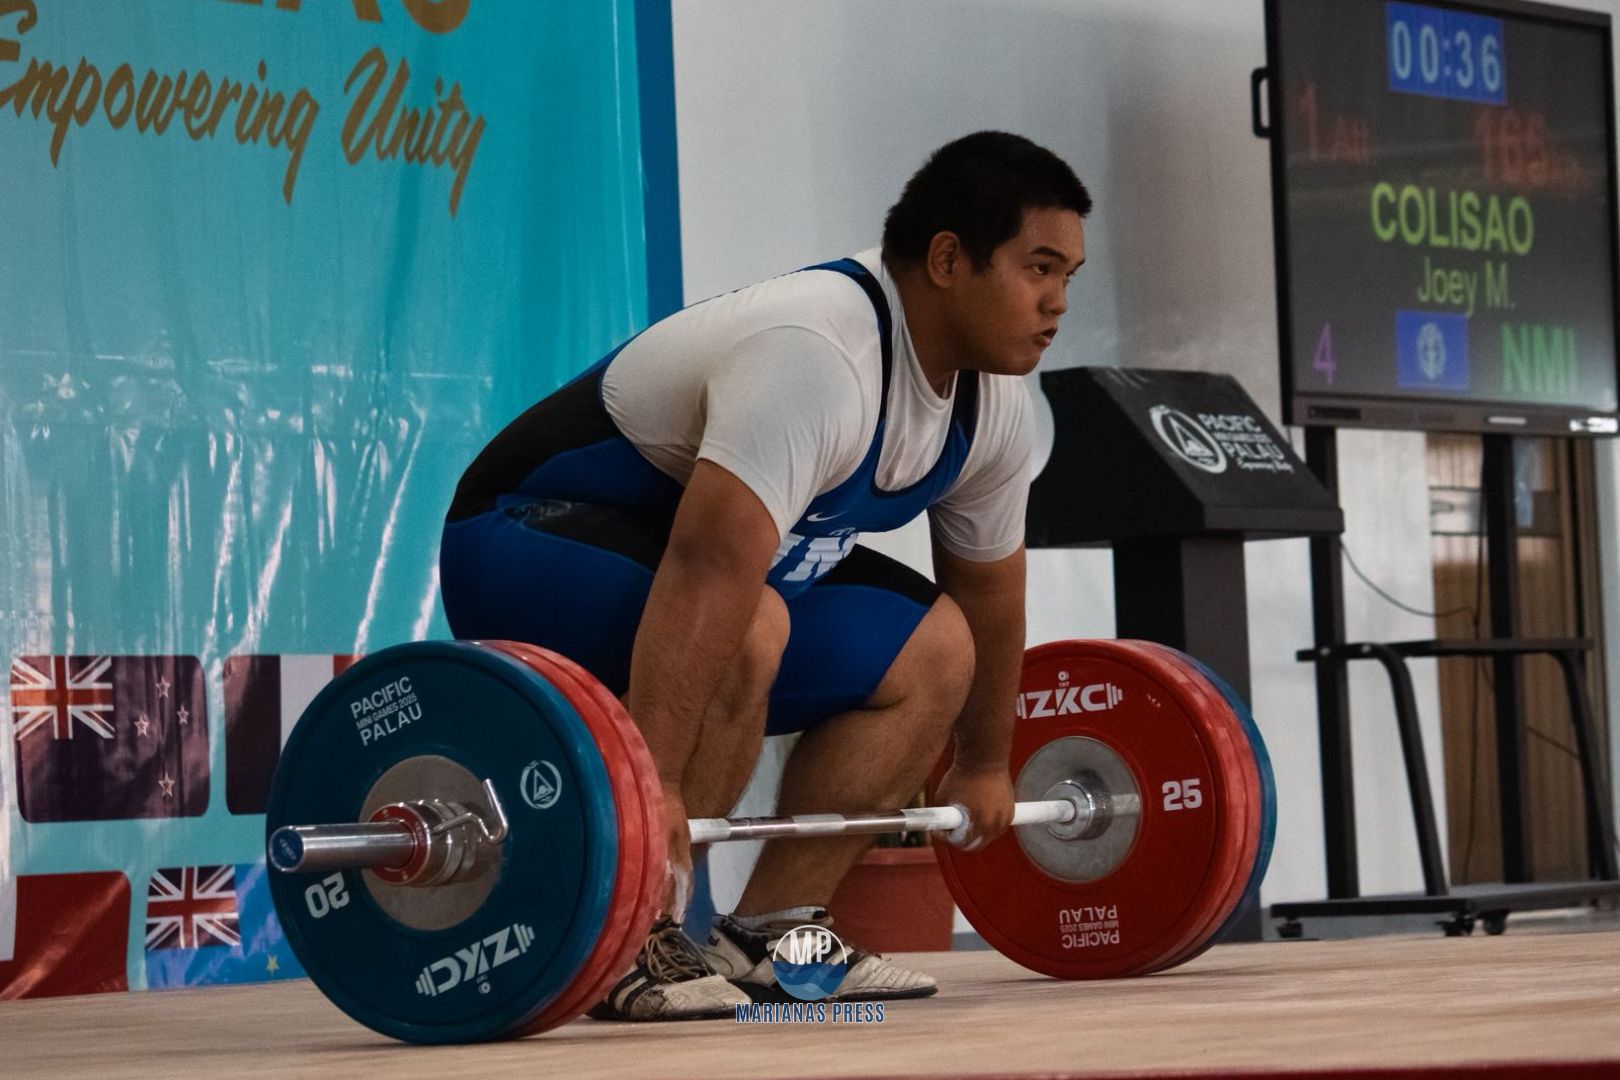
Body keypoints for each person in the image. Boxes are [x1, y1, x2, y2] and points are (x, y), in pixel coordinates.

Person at [439, 131, 1091, 1020]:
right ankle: (630, 938)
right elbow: (709, 570)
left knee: (937, 649)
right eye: (1039, 269)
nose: (1057, 302)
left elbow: (988, 594)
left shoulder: (993, 405)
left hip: (699, 570)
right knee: (748, 625)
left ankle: (773, 933)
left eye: (1068, 278)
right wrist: (655, 789)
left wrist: (983, 762)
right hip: (519, 540)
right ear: (948, 260)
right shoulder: (819, 351)